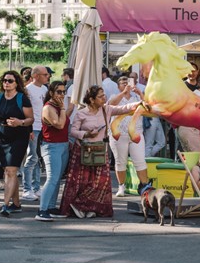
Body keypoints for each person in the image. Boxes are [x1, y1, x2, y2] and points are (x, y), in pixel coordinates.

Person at [60, 85, 140, 218]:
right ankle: (78, 206)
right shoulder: (81, 113)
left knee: (99, 183)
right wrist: (86, 134)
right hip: (83, 151)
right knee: (82, 182)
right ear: (91, 100)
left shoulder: (106, 109)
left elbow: (124, 108)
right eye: (100, 96)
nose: (104, 98)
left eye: (104, 95)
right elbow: (73, 131)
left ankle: (91, 208)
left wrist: (140, 103)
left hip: (100, 151)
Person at [0, 70, 34, 216]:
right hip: (3, 136)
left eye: (10, 81)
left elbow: (31, 119)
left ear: (16, 83)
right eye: (5, 80)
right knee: (9, 171)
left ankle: (5, 204)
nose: (6, 83)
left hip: (19, 136)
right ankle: (16, 204)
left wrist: (20, 122)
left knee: (10, 170)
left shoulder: (22, 99)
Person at [106, 76, 150, 198]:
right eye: (123, 83)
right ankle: (121, 186)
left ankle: (145, 187)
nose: (126, 85)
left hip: (136, 133)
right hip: (119, 134)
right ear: (118, 86)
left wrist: (140, 93)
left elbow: (148, 107)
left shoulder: (137, 97)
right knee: (120, 162)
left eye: (128, 82)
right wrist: (123, 93)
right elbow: (110, 105)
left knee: (140, 161)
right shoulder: (115, 96)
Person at [35, 81, 70, 221]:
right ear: (51, 93)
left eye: (63, 92)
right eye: (58, 92)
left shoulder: (58, 106)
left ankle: (50, 206)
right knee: (52, 178)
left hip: (63, 145)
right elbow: (60, 125)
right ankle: (42, 210)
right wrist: (63, 108)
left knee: (57, 178)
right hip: (51, 146)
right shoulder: (48, 107)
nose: (62, 95)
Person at [21, 65, 49, 202]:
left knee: (37, 157)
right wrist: (29, 128)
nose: (47, 76)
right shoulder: (28, 90)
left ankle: (36, 187)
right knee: (32, 157)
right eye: (45, 74)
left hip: (43, 127)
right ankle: (27, 189)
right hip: (33, 127)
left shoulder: (44, 89)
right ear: (36, 76)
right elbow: (24, 111)